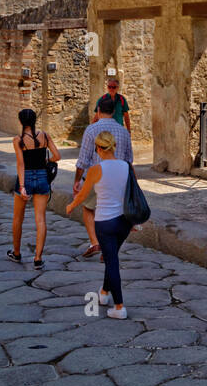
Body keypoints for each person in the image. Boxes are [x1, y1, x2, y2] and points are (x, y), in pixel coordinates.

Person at [66, 130, 132, 319]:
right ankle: (104, 293)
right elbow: (131, 195)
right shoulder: (126, 166)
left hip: (105, 223)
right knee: (111, 256)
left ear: (98, 148)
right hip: (124, 222)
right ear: (114, 146)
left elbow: (83, 195)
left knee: (112, 261)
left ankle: (119, 307)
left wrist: (70, 205)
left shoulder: (96, 170)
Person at [74, 96, 133, 258]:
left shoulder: (91, 130)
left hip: (96, 177)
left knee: (88, 208)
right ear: (114, 112)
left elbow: (83, 160)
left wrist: (77, 181)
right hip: (119, 177)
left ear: (98, 111)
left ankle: (95, 242)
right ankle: (110, 247)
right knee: (117, 213)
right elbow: (129, 160)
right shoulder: (123, 132)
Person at [10, 108, 61, 269]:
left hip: (25, 178)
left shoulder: (18, 140)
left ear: (20, 121)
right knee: (40, 219)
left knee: (18, 218)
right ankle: (38, 258)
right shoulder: (44, 136)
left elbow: (21, 163)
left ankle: (16, 253)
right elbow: (57, 156)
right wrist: (47, 162)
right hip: (41, 177)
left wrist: (23, 186)